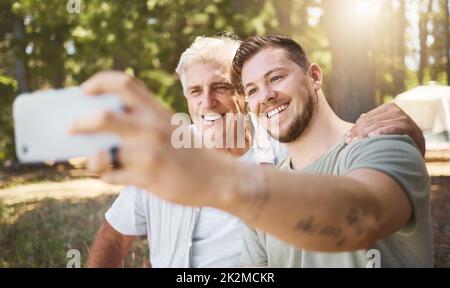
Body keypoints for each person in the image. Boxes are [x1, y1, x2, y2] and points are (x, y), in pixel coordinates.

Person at [73, 35, 431, 268]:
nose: (207, 103)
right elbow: (114, 235)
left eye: (276, 78)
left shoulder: (371, 145)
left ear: (315, 76)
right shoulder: (178, 159)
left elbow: (358, 218)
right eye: (253, 89)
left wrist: (214, 179)